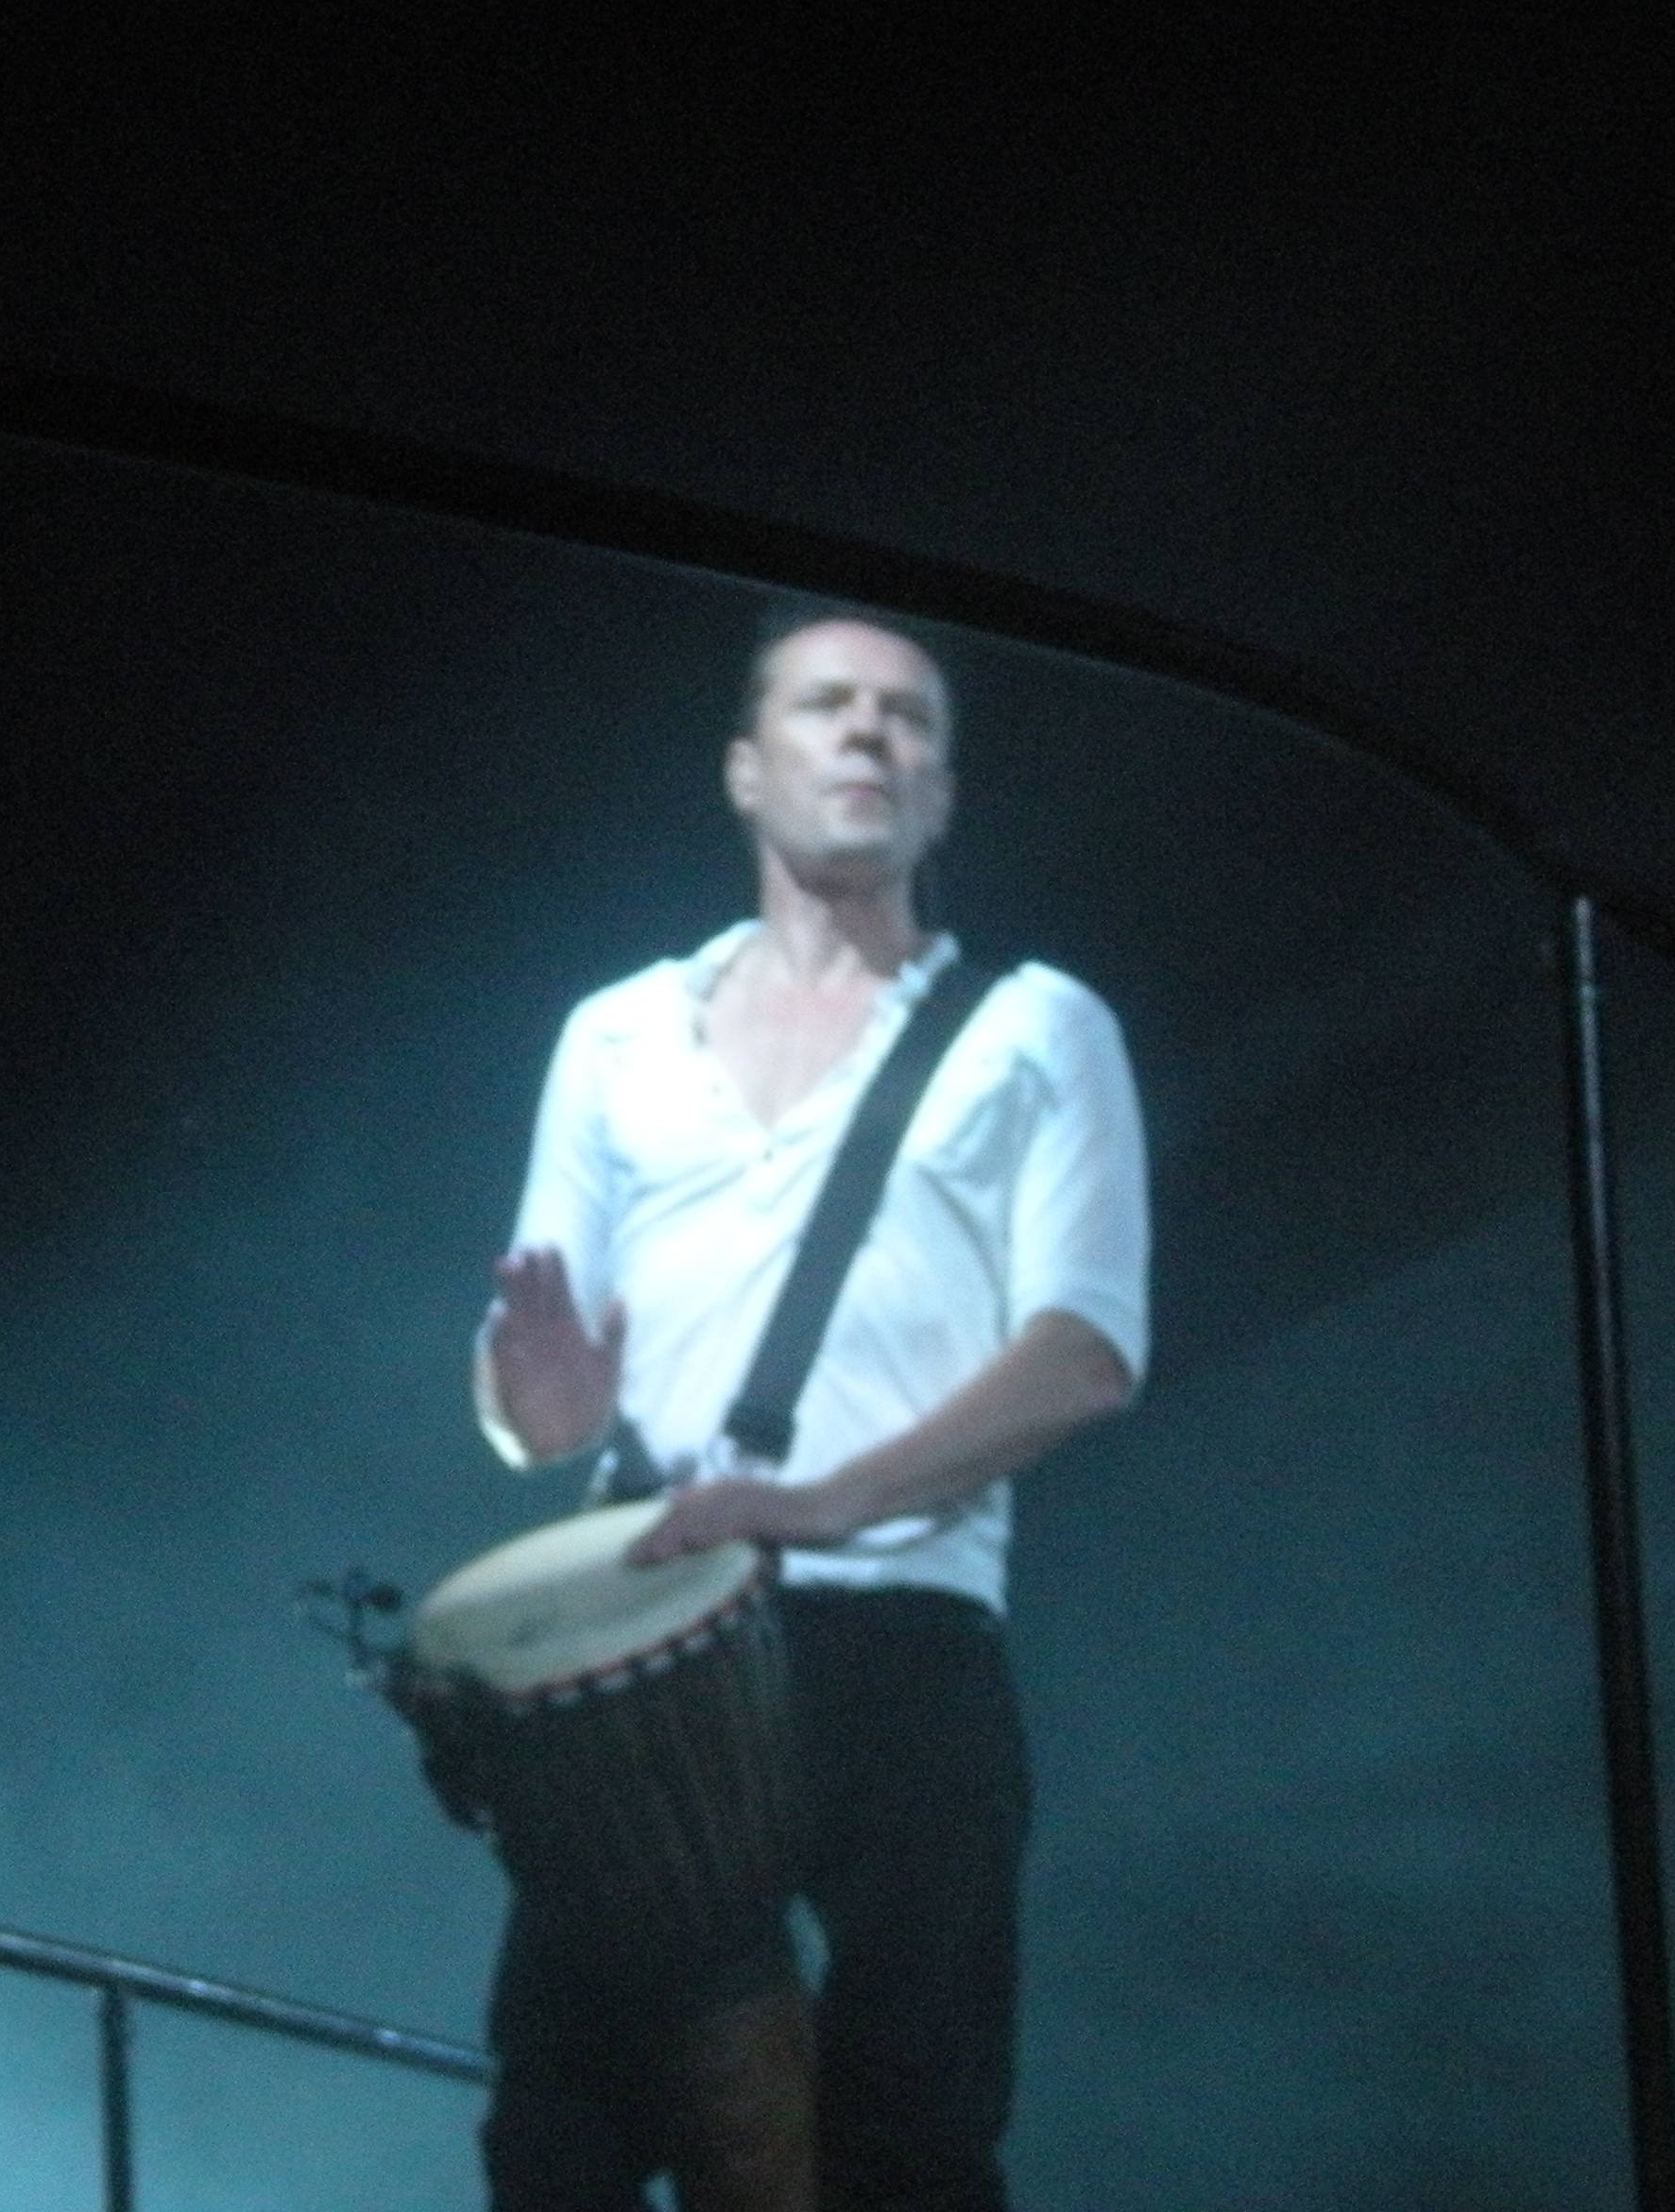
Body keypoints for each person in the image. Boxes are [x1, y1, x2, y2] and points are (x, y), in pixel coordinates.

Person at [472, 610, 1152, 2211]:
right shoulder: (615, 1034)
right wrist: (542, 1406)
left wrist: (824, 1502)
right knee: (560, 2135)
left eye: (908, 718)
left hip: (902, 1642)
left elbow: (1086, 1350)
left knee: (906, 2145)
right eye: (827, 705)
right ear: (743, 767)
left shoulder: (1038, 1028)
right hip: (651, 1638)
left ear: (944, 793)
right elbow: (533, 1393)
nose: (867, 735)